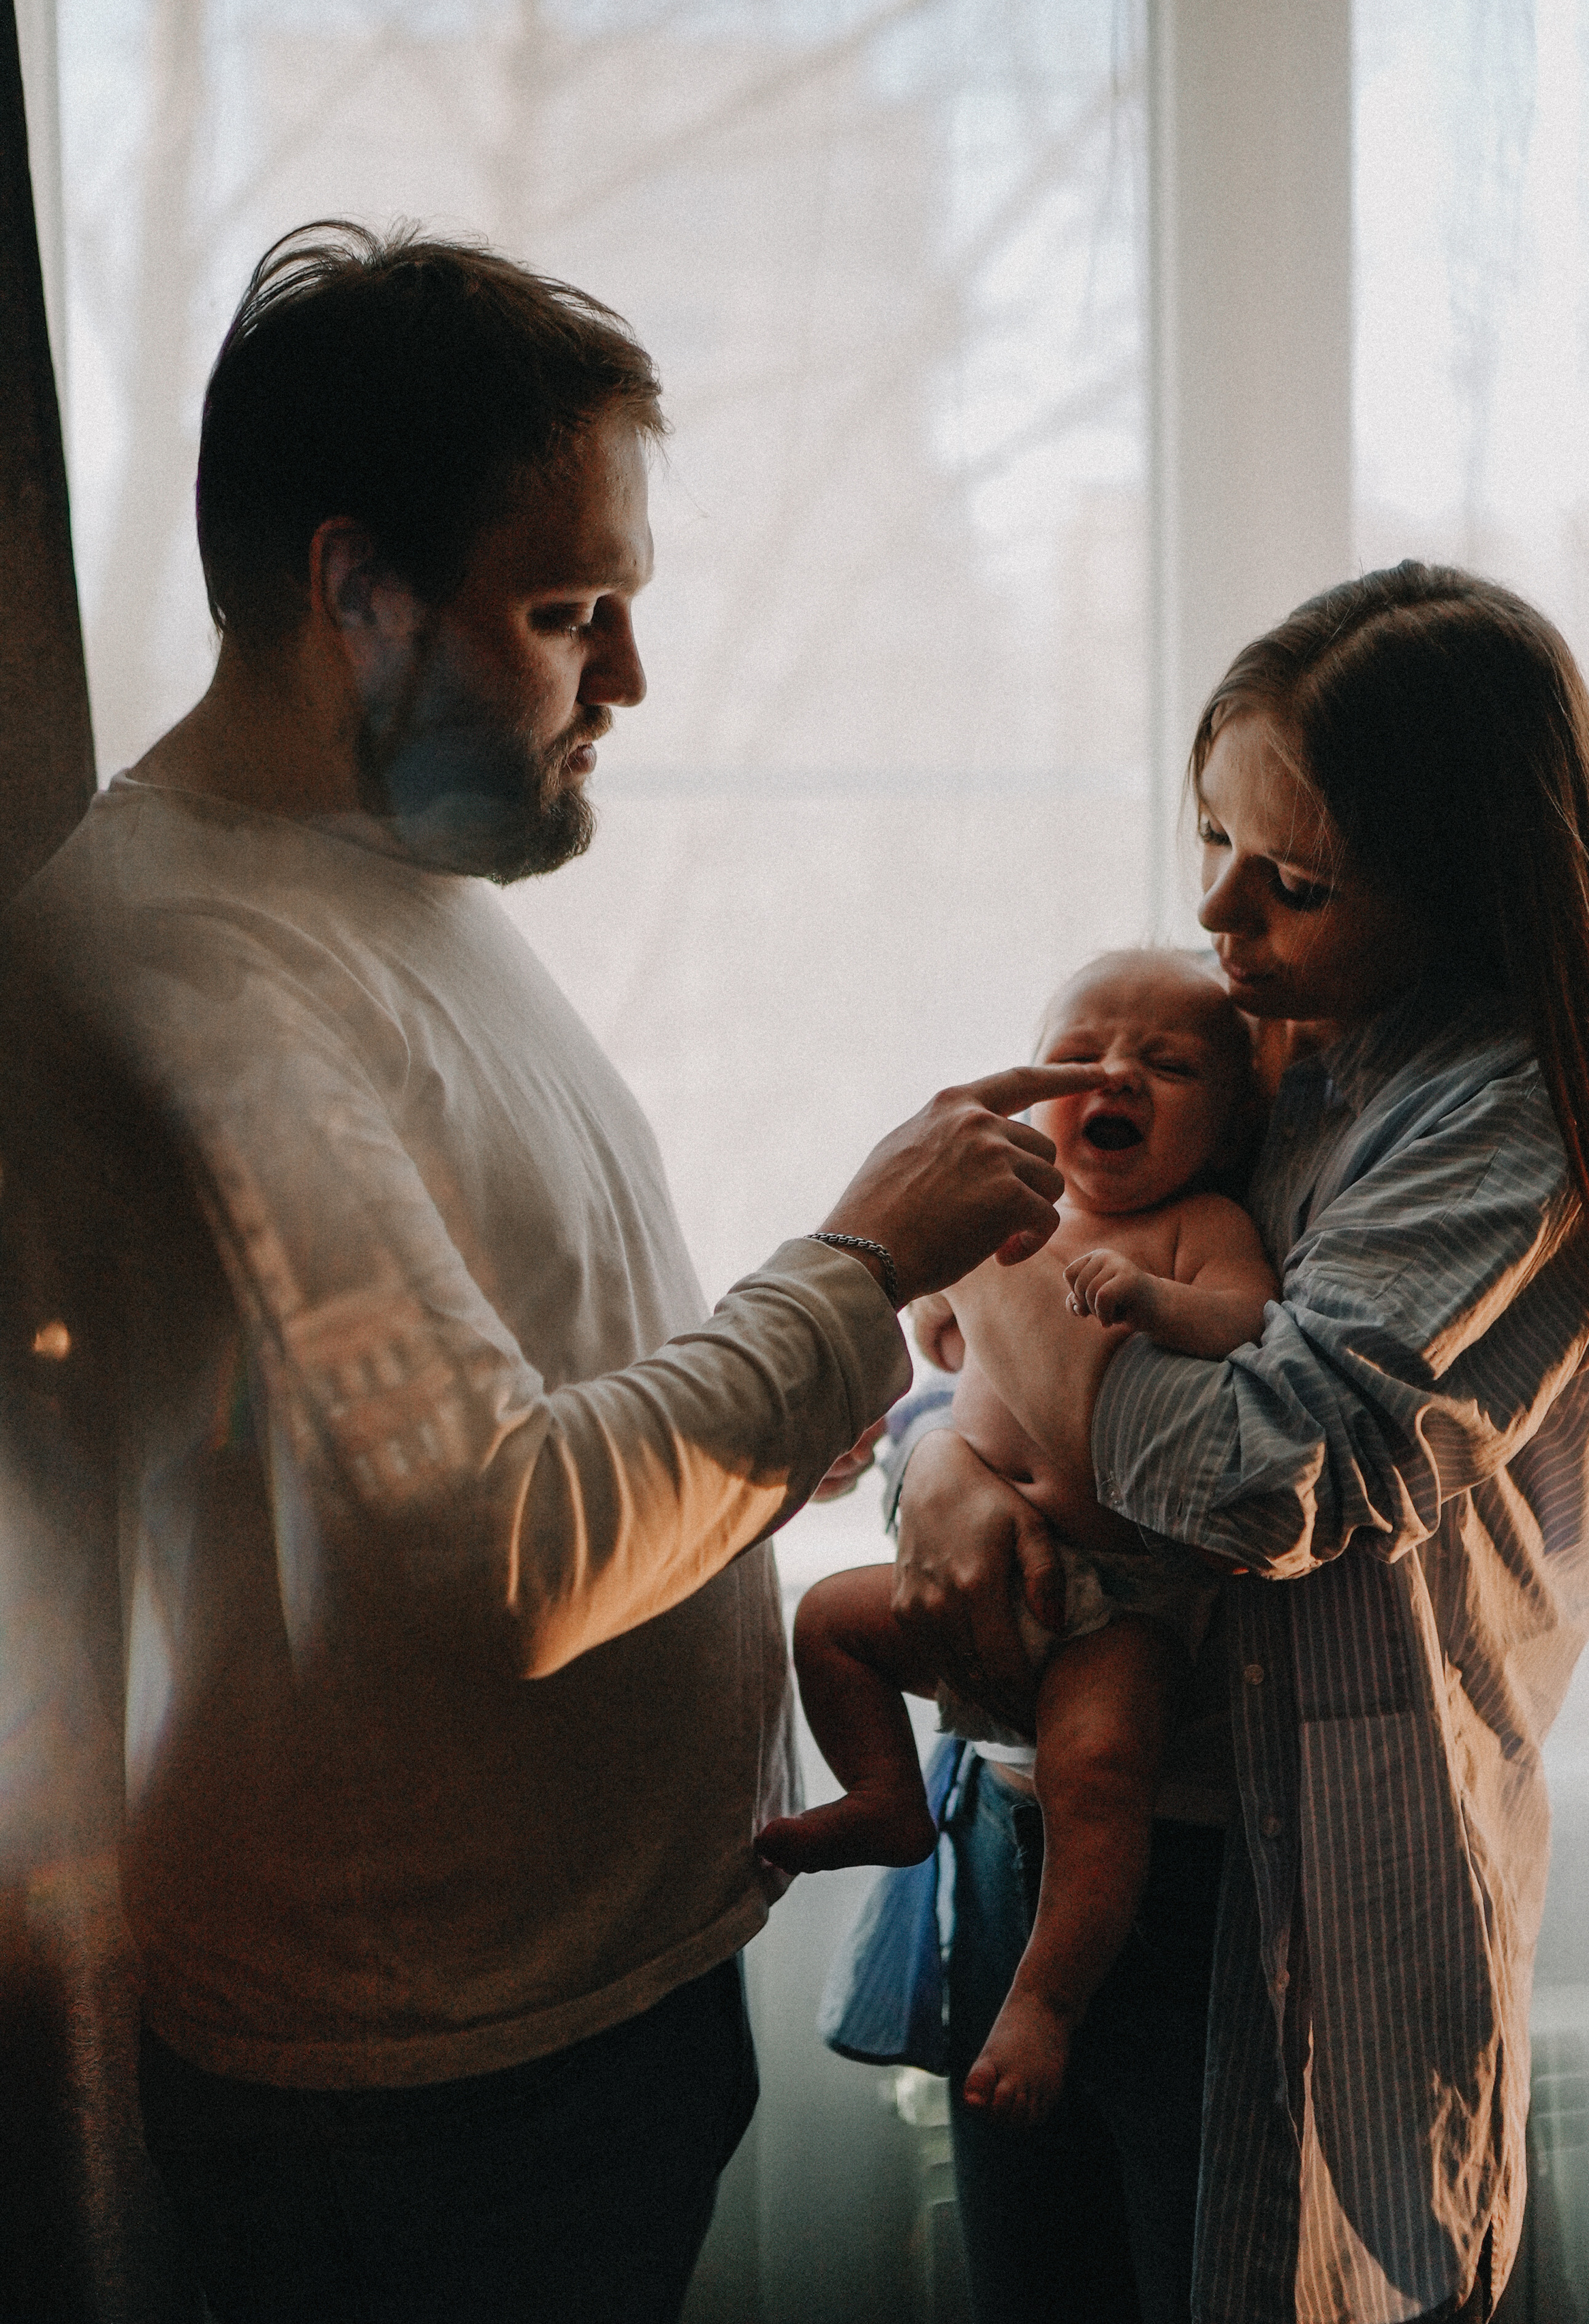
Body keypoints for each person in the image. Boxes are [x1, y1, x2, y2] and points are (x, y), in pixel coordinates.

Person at [2, 222, 1110, 2324]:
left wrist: (823, 1386)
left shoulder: (374, 875)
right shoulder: (197, 973)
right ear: (355, 590)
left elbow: (476, 1396)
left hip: (556, 2020)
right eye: (568, 611)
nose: (630, 682)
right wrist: (855, 1266)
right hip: (434, 2098)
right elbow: (500, 1548)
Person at [886, 562, 1589, 2324]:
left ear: (1466, 883)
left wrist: (979, 1253)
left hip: (1267, 1882)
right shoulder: (1260, 1059)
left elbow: (1257, 1474)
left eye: (1293, 879)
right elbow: (976, 1384)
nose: (1215, 909)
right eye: (1213, 838)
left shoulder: (1501, 1121)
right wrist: (937, 1466)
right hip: (1032, 1828)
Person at [758, 949, 1276, 2129]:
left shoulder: (1201, 1223)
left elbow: (1248, 1315)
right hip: (985, 1572)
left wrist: (1160, 1302)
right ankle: (886, 1792)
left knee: (1099, 1770)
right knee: (827, 1623)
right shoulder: (1005, 1223)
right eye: (1082, 1054)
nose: (1118, 1075)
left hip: (1118, 1602)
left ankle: (1046, 1997)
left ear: (1231, 1119)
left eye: (1167, 1064)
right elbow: (928, 1353)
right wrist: (866, 1430)